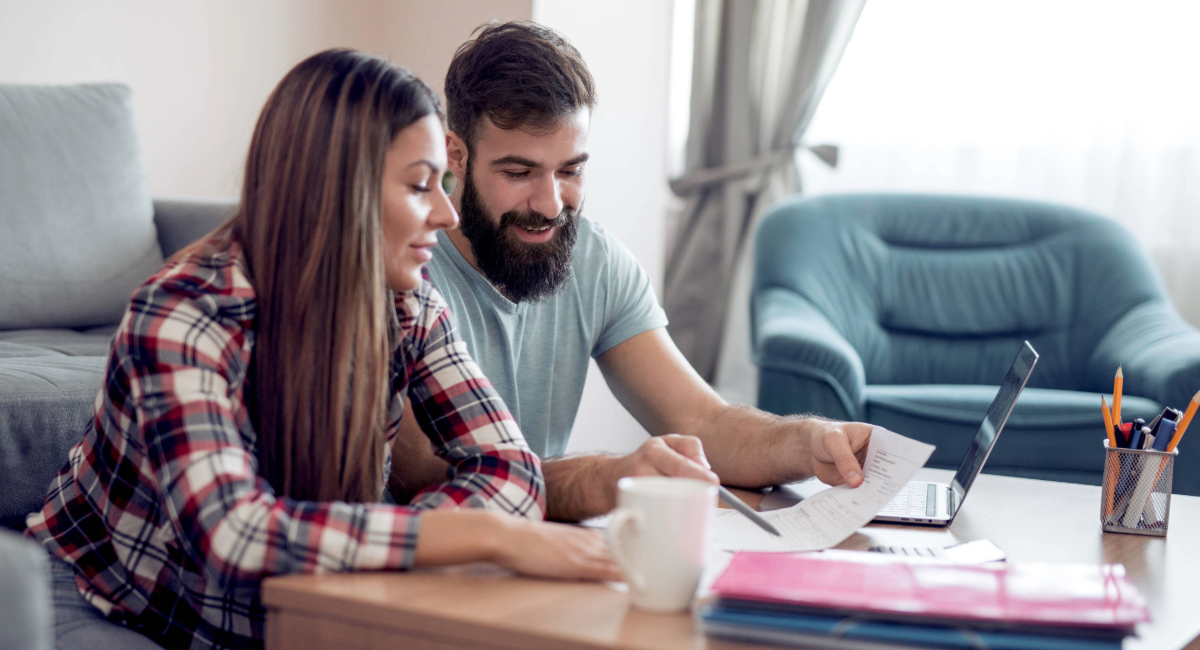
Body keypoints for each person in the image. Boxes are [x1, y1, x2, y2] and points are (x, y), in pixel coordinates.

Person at [25, 49, 620, 650]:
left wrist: (442, 539)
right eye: (420, 186)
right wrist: (484, 536)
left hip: (291, 605)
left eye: (443, 183)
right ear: (338, 191)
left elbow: (511, 471)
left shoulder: (407, 304)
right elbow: (235, 535)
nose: (445, 213)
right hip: (118, 600)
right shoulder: (184, 314)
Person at [387, 22, 878, 522]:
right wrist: (606, 477)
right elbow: (427, 477)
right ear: (457, 155)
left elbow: (703, 420)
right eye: (519, 173)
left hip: (538, 550)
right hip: (430, 561)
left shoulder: (593, 260)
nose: (551, 204)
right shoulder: (407, 276)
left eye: (570, 170)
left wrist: (808, 442)